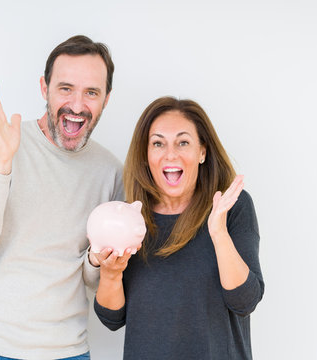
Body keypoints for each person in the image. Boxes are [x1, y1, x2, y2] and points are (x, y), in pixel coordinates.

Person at [0, 35, 123, 360]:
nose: (77, 105)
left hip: (68, 352)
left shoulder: (110, 171)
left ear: (106, 98)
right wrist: (1, 163)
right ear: (44, 88)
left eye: (91, 92)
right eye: (65, 88)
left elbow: (91, 278)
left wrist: (96, 259)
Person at [93, 97, 265, 359]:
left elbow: (245, 300)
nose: (170, 154)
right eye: (158, 143)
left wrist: (218, 233)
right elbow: (112, 318)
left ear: (202, 152)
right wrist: (111, 274)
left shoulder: (231, 207)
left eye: (183, 142)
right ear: (146, 154)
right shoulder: (129, 220)